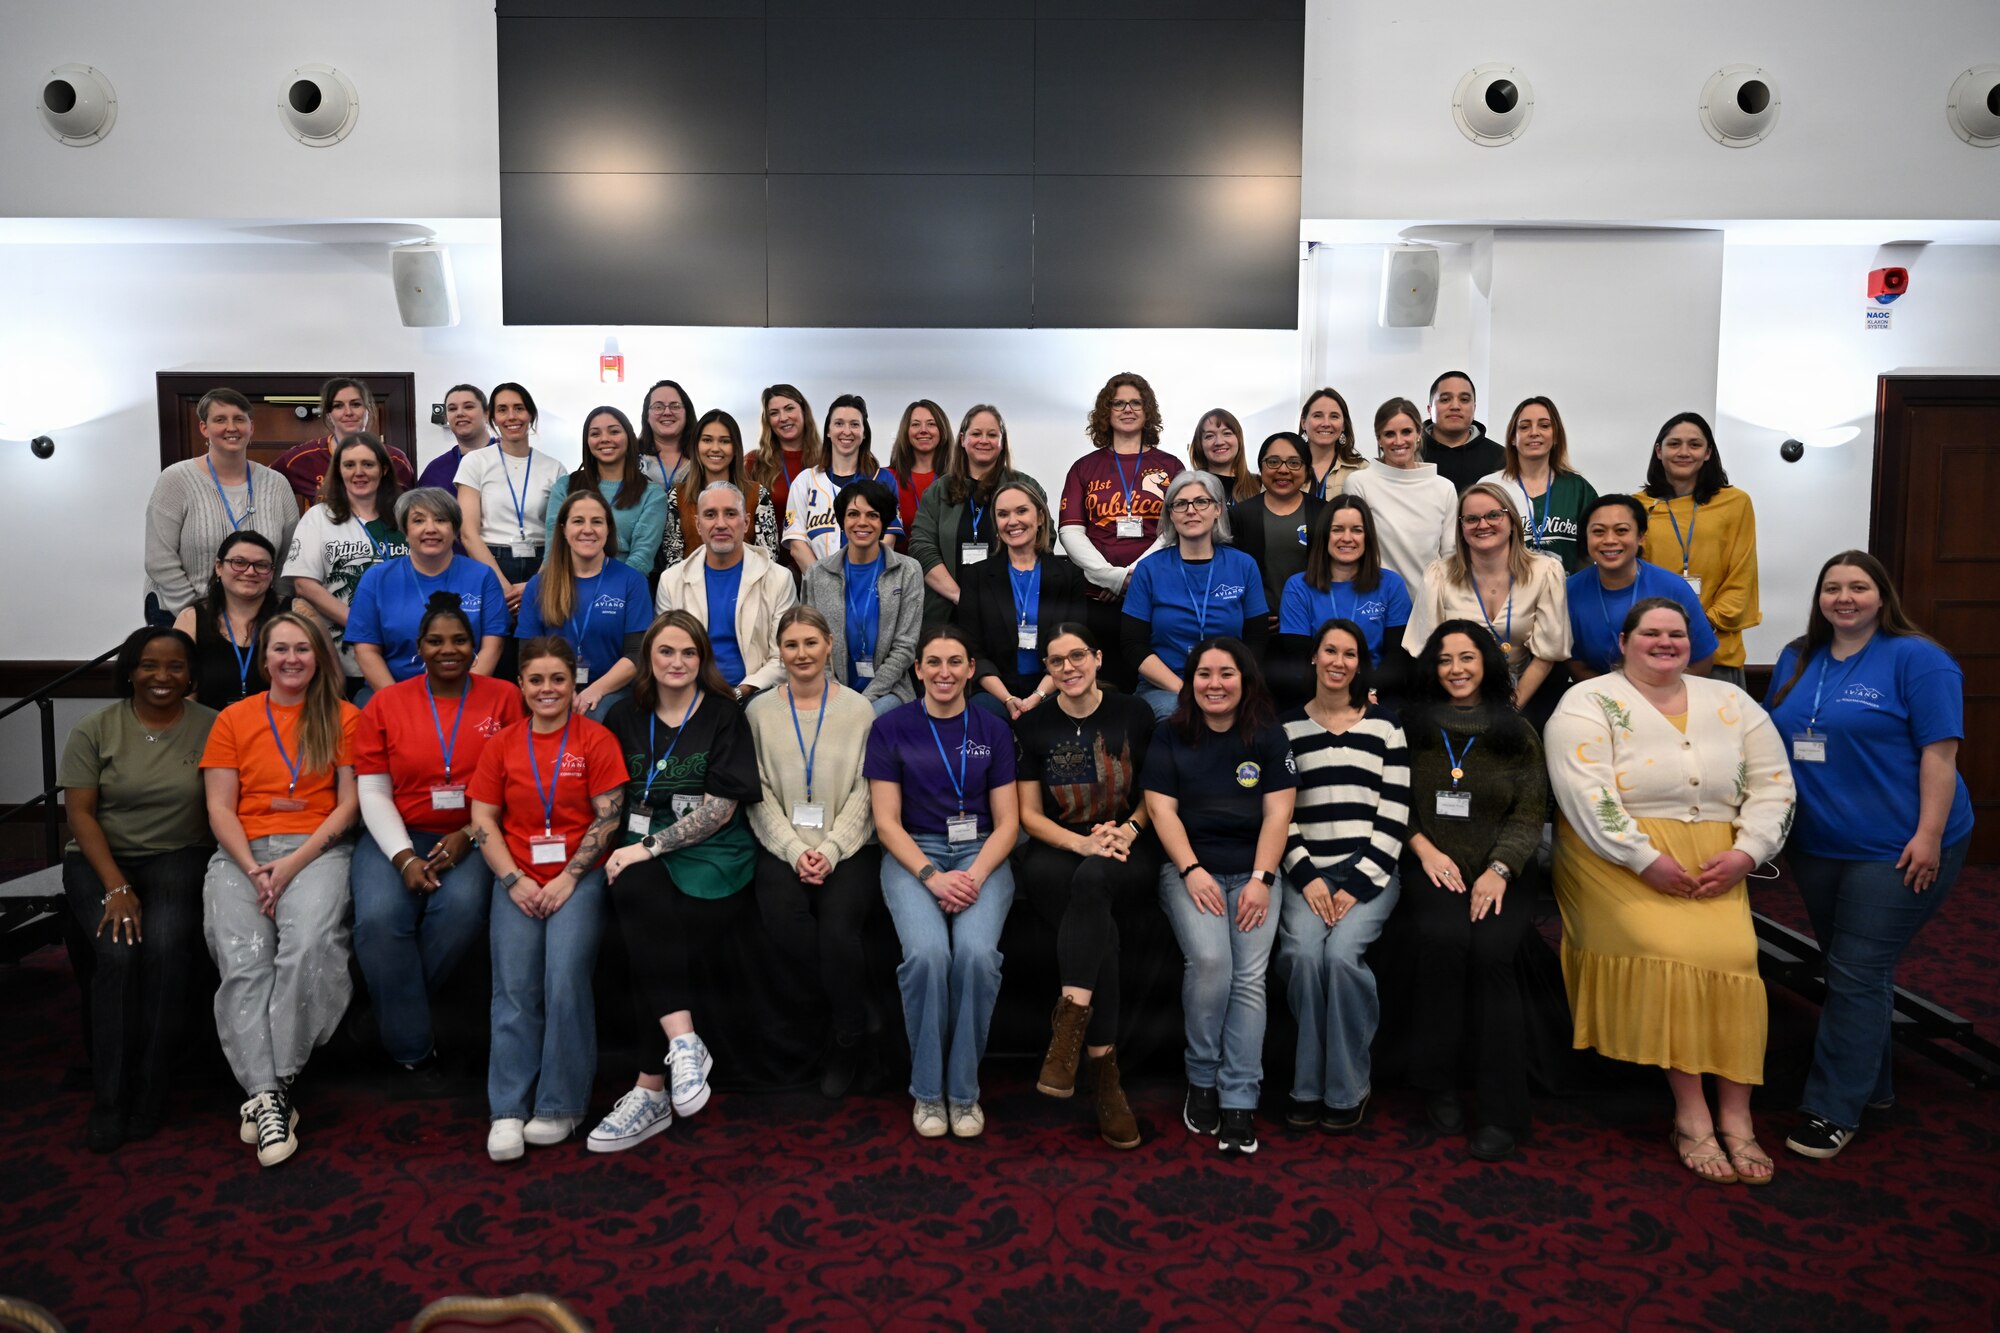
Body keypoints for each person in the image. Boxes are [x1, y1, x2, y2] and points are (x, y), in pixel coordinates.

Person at [1547, 599, 1796, 1184]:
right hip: (1611, 858)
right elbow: (1587, 796)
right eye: (1651, 633)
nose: (1665, 642)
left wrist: (1748, 852)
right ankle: (1691, 1114)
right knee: (1672, 950)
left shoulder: (1732, 701)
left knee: (1735, 957)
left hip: (1717, 862)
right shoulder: (1587, 701)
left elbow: (1775, 785)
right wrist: (1644, 859)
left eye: (1676, 634)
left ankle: (1737, 1118)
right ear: (1624, 642)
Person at [1764, 552, 1976, 1161]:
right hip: (1820, 843)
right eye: (1833, 588)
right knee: (1853, 967)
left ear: (1882, 596)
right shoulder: (1796, 655)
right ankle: (1873, 1085)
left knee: (1856, 972)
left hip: (1898, 846)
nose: (1844, 598)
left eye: (1858, 587)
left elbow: (1941, 753)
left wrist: (1929, 835)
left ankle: (1831, 1109)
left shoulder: (1918, 658)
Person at [587, 612, 762, 1153]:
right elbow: (611, 804)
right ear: (649, 658)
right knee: (640, 899)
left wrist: (648, 847)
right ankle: (681, 1048)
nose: (677, 663)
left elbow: (721, 809)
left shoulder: (724, 714)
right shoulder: (623, 715)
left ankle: (650, 1088)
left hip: (712, 854)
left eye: (688, 653)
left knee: (645, 920)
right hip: (643, 849)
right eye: (666, 652)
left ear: (702, 658)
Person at [199, 613, 361, 1167]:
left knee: (309, 944)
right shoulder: (232, 719)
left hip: (316, 849)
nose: (292, 659)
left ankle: (271, 1084)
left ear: (320, 657)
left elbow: (348, 804)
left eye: (303, 649)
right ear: (263, 658)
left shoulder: (344, 717)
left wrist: (292, 864)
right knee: (244, 959)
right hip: (241, 852)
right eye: (280, 649)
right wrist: (252, 868)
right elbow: (219, 805)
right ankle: (268, 1096)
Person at [60, 626, 218, 1152]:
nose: (162, 677)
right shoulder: (95, 728)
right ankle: (109, 1097)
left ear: (191, 675)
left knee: (168, 948)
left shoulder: (213, 726)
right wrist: (115, 887)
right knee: (118, 952)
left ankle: (151, 1090)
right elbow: (79, 814)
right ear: (129, 670)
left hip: (179, 854)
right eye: (149, 665)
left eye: (176, 667)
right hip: (101, 857)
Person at [469, 637, 626, 1161]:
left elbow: (609, 818)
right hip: (516, 877)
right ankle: (508, 1109)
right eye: (536, 680)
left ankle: (562, 1103)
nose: (547, 689)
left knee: (563, 979)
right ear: (521, 685)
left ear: (573, 683)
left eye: (558, 679)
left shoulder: (596, 739)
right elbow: (483, 820)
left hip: (576, 880)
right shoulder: (503, 744)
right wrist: (514, 880)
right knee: (513, 989)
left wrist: (567, 879)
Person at [1398, 622, 1549, 1161]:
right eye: (1444, 659)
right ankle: (1436, 1085)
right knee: (1443, 943)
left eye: (1467, 658)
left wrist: (1501, 868)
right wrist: (1424, 850)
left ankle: (1503, 1110)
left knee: (1491, 956)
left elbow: (1531, 812)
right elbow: (1394, 801)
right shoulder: (1412, 727)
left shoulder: (1516, 731)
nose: (1456, 669)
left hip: (1500, 872)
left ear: (1486, 663)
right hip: (1431, 863)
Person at [352, 593, 520, 1076]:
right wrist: (404, 858)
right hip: (398, 832)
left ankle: (392, 1016)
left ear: (475, 646)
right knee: (380, 920)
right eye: (435, 641)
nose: (448, 649)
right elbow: (374, 791)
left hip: (478, 833)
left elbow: (518, 780)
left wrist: (470, 832)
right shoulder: (385, 703)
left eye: (460, 640)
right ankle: (413, 1045)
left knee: (461, 911)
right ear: (418, 649)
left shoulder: (505, 697)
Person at [1145, 636, 1297, 1156]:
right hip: (1191, 871)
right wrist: (1190, 869)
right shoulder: (1169, 736)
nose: (1215, 684)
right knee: (1212, 962)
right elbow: (1162, 811)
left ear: (1245, 678)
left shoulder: (1270, 738)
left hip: (1256, 874)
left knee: (1250, 977)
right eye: (1204, 674)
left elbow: (1278, 814)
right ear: (1191, 683)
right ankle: (1202, 1079)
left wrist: (1262, 878)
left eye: (1226, 673)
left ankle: (1240, 1095)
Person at [866, 626, 1020, 1140]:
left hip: (981, 855)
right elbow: (886, 822)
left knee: (977, 957)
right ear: (918, 670)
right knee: (928, 958)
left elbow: (1009, 824)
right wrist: (933, 877)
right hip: (915, 854)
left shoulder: (992, 728)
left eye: (955, 662)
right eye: (933, 662)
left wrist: (972, 877)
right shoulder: (892, 727)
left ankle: (964, 1090)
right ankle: (928, 1092)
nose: (944, 673)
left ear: (971, 669)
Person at [1016, 623, 1159, 1150]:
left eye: (1078, 655)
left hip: (1127, 848)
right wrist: (1080, 845)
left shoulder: (1135, 714)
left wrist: (1125, 831)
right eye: (1056, 661)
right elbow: (1029, 816)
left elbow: (1155, 796)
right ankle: (1105, 1078)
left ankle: (1069, 1033)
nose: (1069, 667)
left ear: (1099, 657)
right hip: (1059, 850)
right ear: (1047, 672)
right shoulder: (1036, 725)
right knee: (1099, 924)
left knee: (1097, 882)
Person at [1275, 619, 1408, 1133]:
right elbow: (1278, 815)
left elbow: (1393, 813)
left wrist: (1357, 885)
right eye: (1329, 651)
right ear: (1313, 657)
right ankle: (1308, 1083)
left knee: (1341, 956)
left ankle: (1347, 1084)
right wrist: (1306, 875)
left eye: (1349, 654)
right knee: (1304, 956)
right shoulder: (1286, 730)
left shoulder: (1386, 726)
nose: (1338, 661)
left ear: (1360, 663)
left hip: (1368, 871)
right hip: (1305, 872)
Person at [744, 607, 881, 1098]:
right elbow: (756, 792)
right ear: (779, 653)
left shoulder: (859, 710)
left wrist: (830, 848)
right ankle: (849, 1009)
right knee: (784, 923)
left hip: (848, 847)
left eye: (810, 643)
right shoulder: (758, 711)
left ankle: (846, 1037)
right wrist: (793, 849)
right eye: (791, 645)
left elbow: (868, 791)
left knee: (840, 932)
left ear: (828, 645)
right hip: (781, 845)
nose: (801, 654)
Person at [1405, 482, 1572, 721]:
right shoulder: (1438, 575)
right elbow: (1427, 652)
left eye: (1494, 515)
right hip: (1454, 692)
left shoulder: (1546, 572)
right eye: (1471, 519)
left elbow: (1549, 652)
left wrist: (1509, 711)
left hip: (1526, 694)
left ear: (1512, 522)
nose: (1482, 525)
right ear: (1461, 528)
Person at [1059, 373, 1186, 686]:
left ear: (1147, 411)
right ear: (1106, 411)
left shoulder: (1171, 466)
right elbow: (1071, 532)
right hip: (1098, 597)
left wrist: (1132, 576)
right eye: (1118, 403)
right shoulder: (1083, 467)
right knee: (1106, 683)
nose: (1127, 409)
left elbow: (1177, 529)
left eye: (1135, 403)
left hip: (1155, 592)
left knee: (1150, 681)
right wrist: (1112, 578)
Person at [144, 387, 300, 623]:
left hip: (257, 614)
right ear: (204, 428)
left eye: (239, 419)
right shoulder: (176, 479)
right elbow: (159, 559)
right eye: (220, 420)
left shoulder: (277, 484)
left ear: (251, 427)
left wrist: (271, 608)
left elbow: (289, 558)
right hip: (182, 612)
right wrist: (197, 614)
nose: (231, 427)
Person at [1123, 471, 1269, 719]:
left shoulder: (1243, 565)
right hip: (1167, 686)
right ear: (1170, 514)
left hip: (1231, 683)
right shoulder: (1149, 569)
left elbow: (1257, 639)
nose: (1191, 510)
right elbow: (1133, 645)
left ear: (1218, 509)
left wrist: (1228, 684)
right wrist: (1185, 691)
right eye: (1180, 504)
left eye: (1201, 502)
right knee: (1178, 715)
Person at [1638, 412, 1760, 687]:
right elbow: (1633, 579)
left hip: (1717, 651)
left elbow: (1742, 577)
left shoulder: (1736, 502)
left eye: (1694, 445)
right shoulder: (1637, 507)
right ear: (1659, 451)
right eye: (1674, 444)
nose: (1684, 452)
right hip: (1654, 650)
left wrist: (1699, 628)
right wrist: (1664, 630)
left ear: (1708, 453)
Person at [347, 488, 509, 691]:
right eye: (418, 521)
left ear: (455, 529)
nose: (430, 529)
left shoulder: (482, 576)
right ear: (405, 530)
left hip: (467, 693)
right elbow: (366, 650)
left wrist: (459, 698)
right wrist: (398, 703)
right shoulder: (376, 578)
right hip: (392, 693)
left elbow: (492, 647)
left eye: (441, 520)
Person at [953, 481, 1091, 717]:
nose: (1012, 521)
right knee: (984, 713)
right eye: (1003, 514)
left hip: (1056, 685)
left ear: (1039, 518)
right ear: (996, 524)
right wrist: (1007, 699)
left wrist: (1037, 696)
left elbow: (1076, 644)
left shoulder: (1070, 575)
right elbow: (972, 649)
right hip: (995, 691)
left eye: (1021, 511)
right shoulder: (976, 576)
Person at [284, 432, 410, 688]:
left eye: (368, 464)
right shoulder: (319, 517)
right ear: (338, 471)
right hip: (344, 660)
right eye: (349, 465)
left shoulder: (406, 515)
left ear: (384, 469)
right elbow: (304, 585)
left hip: (405, 652)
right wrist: (362, 624)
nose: (359, 472)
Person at [654, 481, 799, 700]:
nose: (720, 524)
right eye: (710, 515)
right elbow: (665, 654)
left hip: (758, 696)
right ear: (698, 525)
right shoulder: (671, 581)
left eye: (730, 514)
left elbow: (782, 656)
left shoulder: (779, 579)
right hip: (689, 695)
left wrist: (741, 691)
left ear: (747, 522)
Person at [516, 489, 651, 718]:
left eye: (597, 522)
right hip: (553, 689)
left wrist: (594, 691)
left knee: (592, 717)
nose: (588, 530)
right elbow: (527, 656)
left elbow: (637, 654)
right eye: (578, 521)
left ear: (608, 529)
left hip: (613, 691)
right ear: (563, 529)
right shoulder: (539, 585)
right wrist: (561, 691)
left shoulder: (632, 581)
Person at [907, 403, 1045, 626]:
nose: (984, 440)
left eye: (992, 434)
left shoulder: (1026, 487)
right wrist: (961, 598)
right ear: (962, 439)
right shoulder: (937, 491)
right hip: (946, 614)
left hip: (1011, 610)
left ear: (1002, 442)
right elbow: (921, 548)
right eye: (976, 433)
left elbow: (1043, 539)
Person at [801, 479, 922, 716]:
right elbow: (812, 642)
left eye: (872, 515)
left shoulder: (908, 571)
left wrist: (862, 702)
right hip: (830, 690)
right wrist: (836, 694)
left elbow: (905, 648)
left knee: (863, 722)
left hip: (889, 692)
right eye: (853, 514)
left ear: (884, 521)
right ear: (842, 520)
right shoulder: (818, 574)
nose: (862, 523)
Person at [1565, 494, 1715, 680]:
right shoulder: (1570, 591)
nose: (1609, 540)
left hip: (1668, 697)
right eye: (1598, 532)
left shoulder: (1673, 588)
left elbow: (1702, 661)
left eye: (1621, 531)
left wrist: (1652, 695)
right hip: (1601, 700)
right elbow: (1575, 663)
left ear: (1641, 537)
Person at [1278, 496, 1414, 701]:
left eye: (1357, 530)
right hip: (1316, 695)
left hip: (1376, 694)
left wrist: (1369, 691)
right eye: (1337, 529)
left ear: (1367, 537)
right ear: (1325, 535)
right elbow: (1300, 661)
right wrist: (1339, 697)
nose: (1347, 538)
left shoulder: (1391, 584)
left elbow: (1397, 657)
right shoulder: (1298, 587)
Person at [457, 382, 562, 618]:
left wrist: (537, 583)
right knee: (497, 645)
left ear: (531, 414)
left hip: (542, 566)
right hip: (491, 563)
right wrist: (503, 586)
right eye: (502, 409)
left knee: (538, 648)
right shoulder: (475, 462)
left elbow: (559, 533)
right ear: (491, 417)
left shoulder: (554, 468)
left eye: (519, 408)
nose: (511, 416)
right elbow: (468, 533)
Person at [1342, 397, 1457, 612]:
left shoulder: (1444, 488)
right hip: (1374, 606)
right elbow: (1354, 553)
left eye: (1406, 432)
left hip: (1430, 606)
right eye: (1389, 434)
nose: (1398, 441)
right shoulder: (1359, 483)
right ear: (1378, 439)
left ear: (1419, 434)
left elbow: (1450, 556)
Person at [543, 406, 668, 580]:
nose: (605, 439)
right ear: (587, 441)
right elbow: (553, 549)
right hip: (568, 586)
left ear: (629, 437)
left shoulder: (652, 494)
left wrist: (606, 590)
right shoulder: (565, 486)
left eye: (614, 432)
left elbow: (641, 558)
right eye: (595, 434)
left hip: (624, 589)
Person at [1476, 396, 1598, 571]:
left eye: (1544, 425)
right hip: (1507, 594)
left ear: (1556, 436)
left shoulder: (1578, 489)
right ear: (1512, 438)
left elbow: (1591, 554)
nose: (1534, 432)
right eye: (1524, 427)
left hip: (1566, 594)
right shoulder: (1490, 487)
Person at [784, 394, 903, 569]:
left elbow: (887, 541)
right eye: (839, 423)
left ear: (864, 433)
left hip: (869, 585)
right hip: (818, 588)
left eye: (854, 424)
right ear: (828, 431)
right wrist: (825, 583)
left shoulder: (882, 480)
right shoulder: (805, 481)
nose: (846, 431)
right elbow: (796, 545)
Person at [1228, 431, 1326, 636]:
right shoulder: (1240, 515)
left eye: (1294, 462)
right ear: (1261, 467)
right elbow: (1231, 575)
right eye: (1273, 462)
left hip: (1315, 625)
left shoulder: (1325, 513)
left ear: (1307, 469)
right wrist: (1251, 613)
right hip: (1257, 629)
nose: (1283, 470)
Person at [272, 377, 416, 513]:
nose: (348, 412)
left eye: (356, 404)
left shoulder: (395, 459)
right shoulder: (303, 457)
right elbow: (262, 487)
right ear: (328, 414)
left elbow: (409, 512)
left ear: (368, 409)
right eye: (338, 406)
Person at [174, 532, 284, 711]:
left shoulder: (296, 613)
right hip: (210, 732)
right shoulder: (191, 619)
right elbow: (183, 697)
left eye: (261, 565)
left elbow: (327, 680)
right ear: (219, 567)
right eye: (239, 562)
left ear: (271, 573)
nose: (250, 572)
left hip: (283, 734)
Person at [670, 408, 781, 561]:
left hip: (750, 583)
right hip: (691, 583)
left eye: (724, 441)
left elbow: (768, 558)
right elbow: (673, 560)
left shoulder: (757, 494)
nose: (715, 448)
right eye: (707, 440)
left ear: (735, 448)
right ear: (696, 446)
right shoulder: (678, 495)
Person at [635, 380, 697, 568]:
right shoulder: (630, 459)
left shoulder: (704, 458)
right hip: (640, 559)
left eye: (675, 406)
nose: (667, 412)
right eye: (658, 406)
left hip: (693, 560)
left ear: (687, 412)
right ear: (647, 415)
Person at [745, 383, 820, 540]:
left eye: (789, 408)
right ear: (768, 421)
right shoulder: (754, 464)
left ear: (803, 411)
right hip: (771, 561)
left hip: (823, 560)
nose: (783, 418)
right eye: (774, 413)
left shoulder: (827, 460)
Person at [1418, 371, 1502, 492]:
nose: (1455, 406)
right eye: (1445, 399)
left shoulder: (1500, 458)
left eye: (1464, 399)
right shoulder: (1411, 455)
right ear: (1430, 409)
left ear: (1474, 408)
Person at [887, 399, 955, 536]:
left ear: (942, 430)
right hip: (899, 557)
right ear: (906, 431)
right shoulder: (887, 478)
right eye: (916, 424)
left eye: (931, 424)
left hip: (946, 558)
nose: (923, 430)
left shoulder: (958, 479)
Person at [416, 383, 492, 494]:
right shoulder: (435, 471)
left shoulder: (509, 457)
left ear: (487, 414)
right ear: (446, 417)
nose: (460, 413)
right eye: (452, 409)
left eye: (468, 406)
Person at [1299, 387, 1369, 500]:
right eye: (1317, 415)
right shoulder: (1286, 468)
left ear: (1344, 425)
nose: (1326, 423)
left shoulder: (1362, 470)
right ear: (1303, 423)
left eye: (1334, 416)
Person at [1190, 408, 1260, 502]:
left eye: (1227, 433)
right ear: (1200, 444)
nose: (1219, 442)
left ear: (1239, 440)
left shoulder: (1261, 485)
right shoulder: (1189, 487)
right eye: (1209, 436)